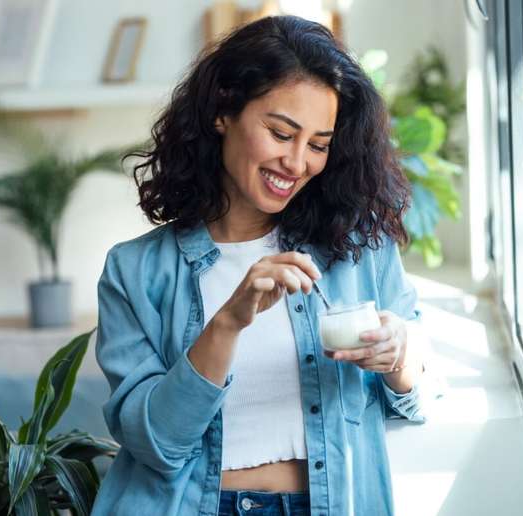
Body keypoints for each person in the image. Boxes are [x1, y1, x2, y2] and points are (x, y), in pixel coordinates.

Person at [92, 15, 427, 516]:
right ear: (223, 110)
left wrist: (400, 356)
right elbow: (157, 446)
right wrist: (228, 321)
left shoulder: (357, 249)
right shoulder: (134, 272)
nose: (296, 163)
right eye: (280, 132)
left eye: (317, 144)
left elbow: (413, 395)